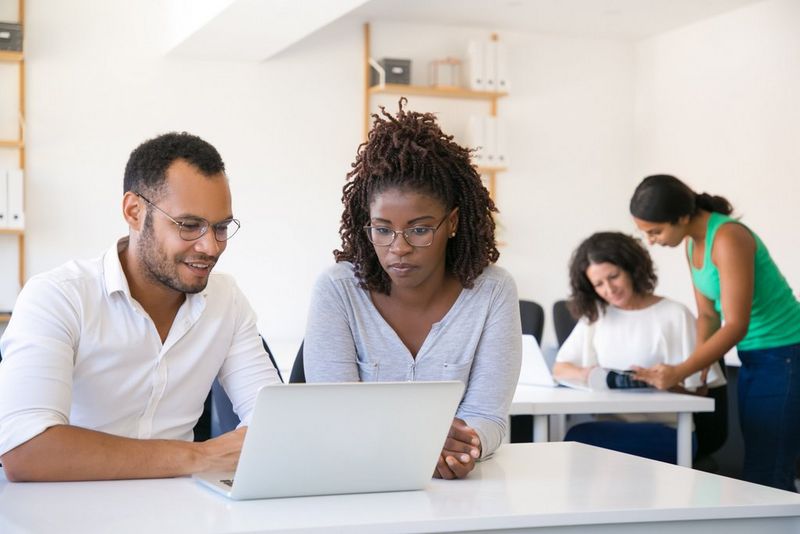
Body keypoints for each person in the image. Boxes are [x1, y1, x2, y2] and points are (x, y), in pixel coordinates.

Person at [0, 132, 281, 482]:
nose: (210, 247)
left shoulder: (227, 301)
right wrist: (202, 456)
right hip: (67, 511)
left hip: (181, 511)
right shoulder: (58, 297)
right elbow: (27, 451)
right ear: (134, 212)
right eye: (189, 226)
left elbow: (274, 423)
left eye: (221, 227)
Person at [303, 99, 522, 480]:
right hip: (357, 487)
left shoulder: (492, 292)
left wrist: (463, 446)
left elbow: (488, 417)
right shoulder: (338, 291)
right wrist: (421, 444)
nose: (398, 248)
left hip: (459, 496)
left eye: (419, 229)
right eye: (382, 229)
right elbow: (334, 417)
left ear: (451, 222)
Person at [630, 174, 800, 490]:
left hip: (786, 354)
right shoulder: (694, 243)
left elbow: (736, 324)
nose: (651, 241)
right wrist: (698, 372)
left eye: (655, 231)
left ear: (681, 217)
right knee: (763, 466)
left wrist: (681, 370)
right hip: (757, 357)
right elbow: (708, 316)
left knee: (768, 472)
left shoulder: (728, 237)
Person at [553, 232, 725, 464]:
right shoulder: (598, 314)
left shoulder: (674, 314)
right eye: (598, 284)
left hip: (670, 432)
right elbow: (560, 368)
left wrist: (668, 382)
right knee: (577, 440)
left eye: (613, 277)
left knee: (579, 440)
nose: (609, 289)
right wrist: (589, 374)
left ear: (632, 268)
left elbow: (701, 391)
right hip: (612, 426)